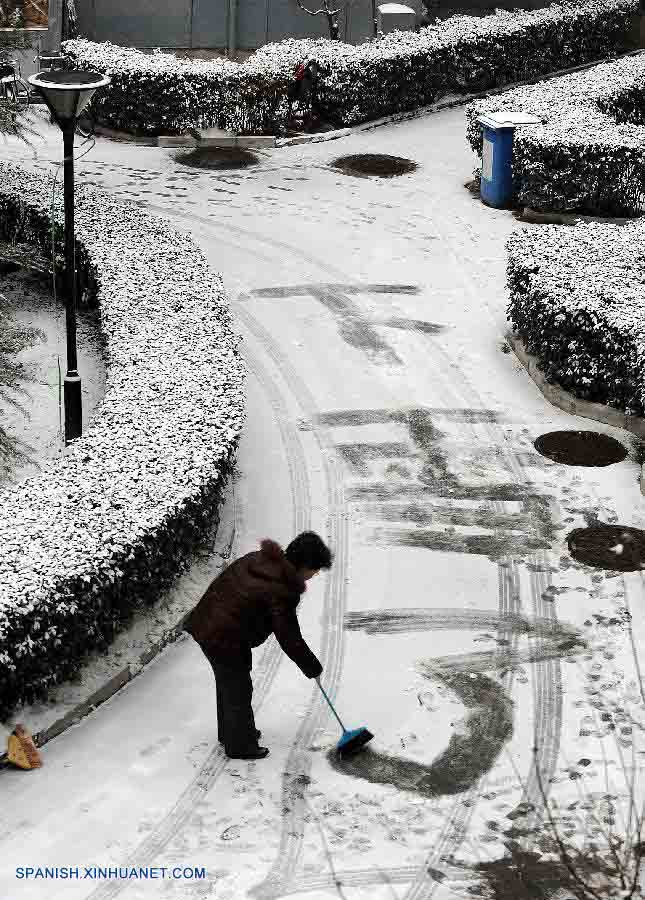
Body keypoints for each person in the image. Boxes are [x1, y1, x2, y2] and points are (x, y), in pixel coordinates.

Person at [183, 531, 333, 760]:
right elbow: (289, 637)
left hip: (211, 623)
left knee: (229, 682)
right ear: (304, 565)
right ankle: (240, 745)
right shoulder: (282, 590)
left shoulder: (261, 559)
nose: (315, 575)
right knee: (238, 687)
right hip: (222, 634)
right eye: (315, 569)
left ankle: (232, 733)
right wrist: (312, 666)